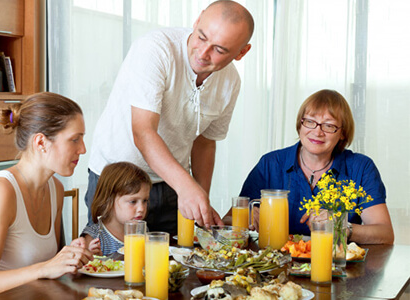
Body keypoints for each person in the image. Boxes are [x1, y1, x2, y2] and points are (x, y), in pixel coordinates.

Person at [85, 0, 255, 235]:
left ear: (241, 52)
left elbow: (204, 141)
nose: (203, 54)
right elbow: (143, 132)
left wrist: (199, 198)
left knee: (173, 266)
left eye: (219, 49)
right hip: (118, 181)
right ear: (197, 20)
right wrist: (187, 187)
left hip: (171, 184)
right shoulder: (155, 49)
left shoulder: (230, 82)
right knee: (114, 266)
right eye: (201, 37)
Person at [0, 92, 94, 299]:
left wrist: (67, 257)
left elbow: (45, 266)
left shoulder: (54, 188)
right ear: (40, 143)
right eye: (75, 139)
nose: (82, 149)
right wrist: (44, 268)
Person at [225, 89, 394, 244]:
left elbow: (385, 233)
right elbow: (227, 221)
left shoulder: (361, 168)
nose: (317, 132)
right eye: (310, 122)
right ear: (300, 125)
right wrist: (245, 218)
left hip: (335, 268)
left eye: (329, 125)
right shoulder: (271, 163)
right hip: (275, 263)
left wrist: (342, 227)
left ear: (342, 133)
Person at [81, 162, 152, 256]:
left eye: (145, 201)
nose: (141, 208)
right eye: (133, 201)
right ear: (109, 200)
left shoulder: (141, 230)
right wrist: (92, 256)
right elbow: (81, 266)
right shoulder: (94, 236)